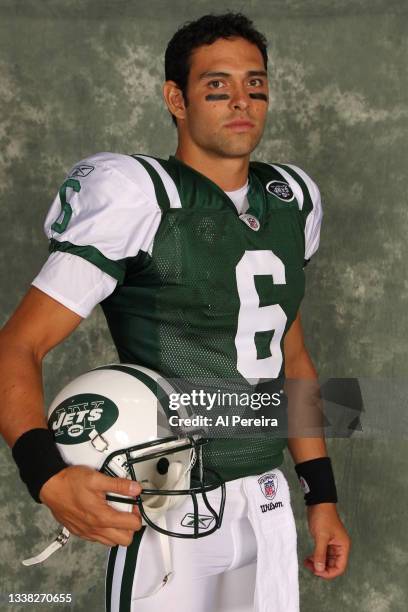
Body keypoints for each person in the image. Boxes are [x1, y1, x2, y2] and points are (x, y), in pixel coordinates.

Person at [0, 12, 350, 612]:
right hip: (172, 505)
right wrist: (47, 476)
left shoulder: (291, 197)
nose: (241, 100)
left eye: (255, 84)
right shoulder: (140, 196)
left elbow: (291, 355)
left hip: (268, 500)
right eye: (217, 86)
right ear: (176, 98)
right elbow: (18, 345)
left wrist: (321, 495)